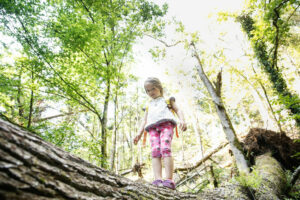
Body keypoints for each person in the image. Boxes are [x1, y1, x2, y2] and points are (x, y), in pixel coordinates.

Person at [133, 77, 187, 190]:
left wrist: (182, 120)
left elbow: (178, 110)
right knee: (155, 151)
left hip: (166, 125)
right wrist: (139, 133)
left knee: (165, 148)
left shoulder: (167, 100)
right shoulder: (148, 105)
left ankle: (169, 180)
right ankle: (158, 179)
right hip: (152, 129)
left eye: (153, 89)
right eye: (147, 91)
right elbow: (144, 120)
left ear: (159, 87)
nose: (150, 92)